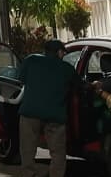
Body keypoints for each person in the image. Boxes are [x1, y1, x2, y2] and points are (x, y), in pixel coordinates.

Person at [17, 39, 83, 177]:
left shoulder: (31, 60)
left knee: (27, 150)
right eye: (63, 53)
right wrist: (94, 86)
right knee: (58, 152)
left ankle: (28, 173)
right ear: (59, 52)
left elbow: (20, 79)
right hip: (55, 115)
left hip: (30, 113)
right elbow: (80, 86)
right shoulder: (66, 68)